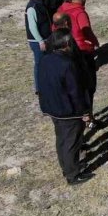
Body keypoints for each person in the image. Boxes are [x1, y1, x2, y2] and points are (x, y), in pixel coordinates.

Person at [38, 29, 95, 186]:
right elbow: (75, 92)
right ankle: (73, 175)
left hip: (52, 108)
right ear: (67, 43)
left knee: (62, 139)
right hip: (68, 111)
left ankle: (68, 167)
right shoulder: (68, 64)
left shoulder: (45, 59)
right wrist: (84, 112)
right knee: (72, 142)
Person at [58, 0, 99, 104]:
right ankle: (89, 117)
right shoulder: (80, 13)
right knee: (88, 85)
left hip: (64, 49)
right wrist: (95, 43)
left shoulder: (61, 9)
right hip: (82, 51)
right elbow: (87, 31)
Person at [26, 0, 52, 94]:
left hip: (46, 39)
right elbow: (32, 27)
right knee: (39, 64)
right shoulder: (32, 7)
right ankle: (39, 88)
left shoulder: (40, 4)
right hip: (37, 42)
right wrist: (40, 41)